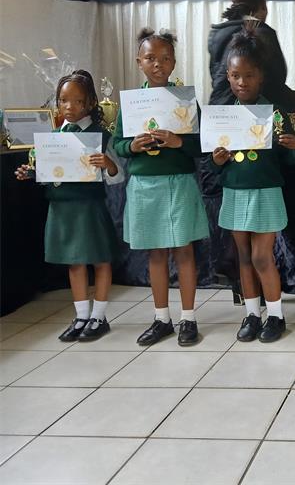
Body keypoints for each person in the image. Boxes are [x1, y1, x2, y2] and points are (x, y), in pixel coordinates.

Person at [112, 28, 209, 346]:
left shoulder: (185, 100)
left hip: (179, 183)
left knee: (183, 251)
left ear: (174, 62)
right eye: (151, 58)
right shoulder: (131, 102)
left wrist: (179, 140)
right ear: (139, 61)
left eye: (165, 58)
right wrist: (133, 146)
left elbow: (200, 146)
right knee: (156, 254)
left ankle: (188, 319)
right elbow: (118, 144)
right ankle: (161, 318)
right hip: (144, 185)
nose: (158, 64)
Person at [15, 70, 124, 341]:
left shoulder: (100, 135)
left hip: (89, 206)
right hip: (62, 207)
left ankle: (99, 316)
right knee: (74, 263)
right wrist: (31, 172)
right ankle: (81, 316)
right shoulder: (54, 136)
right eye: (63, 100)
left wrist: (107, 165)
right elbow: (49, 173)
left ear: (89, 103)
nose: (69, 107)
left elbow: (118, 176)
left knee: (99, 259)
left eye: (77, 101)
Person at [211, 28, 295, 343]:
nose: (242, 82)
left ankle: (276, 315)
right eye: (236, 75)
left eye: (248, 75)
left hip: (265, 192)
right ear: (228, 75)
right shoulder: (222, 117)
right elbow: (213, 164)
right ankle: (252, 314)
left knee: (263, 256)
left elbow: (291, 162)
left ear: (260, 76)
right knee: (244, 256)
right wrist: (219, 159)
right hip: (235, 193)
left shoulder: (275, 114)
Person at [208, 0, 295, 111]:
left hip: (219, 111)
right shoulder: (264, 33)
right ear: (263, 5)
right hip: (257, 112)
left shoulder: (217, 34)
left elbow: (215, 76)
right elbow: (278, 79)